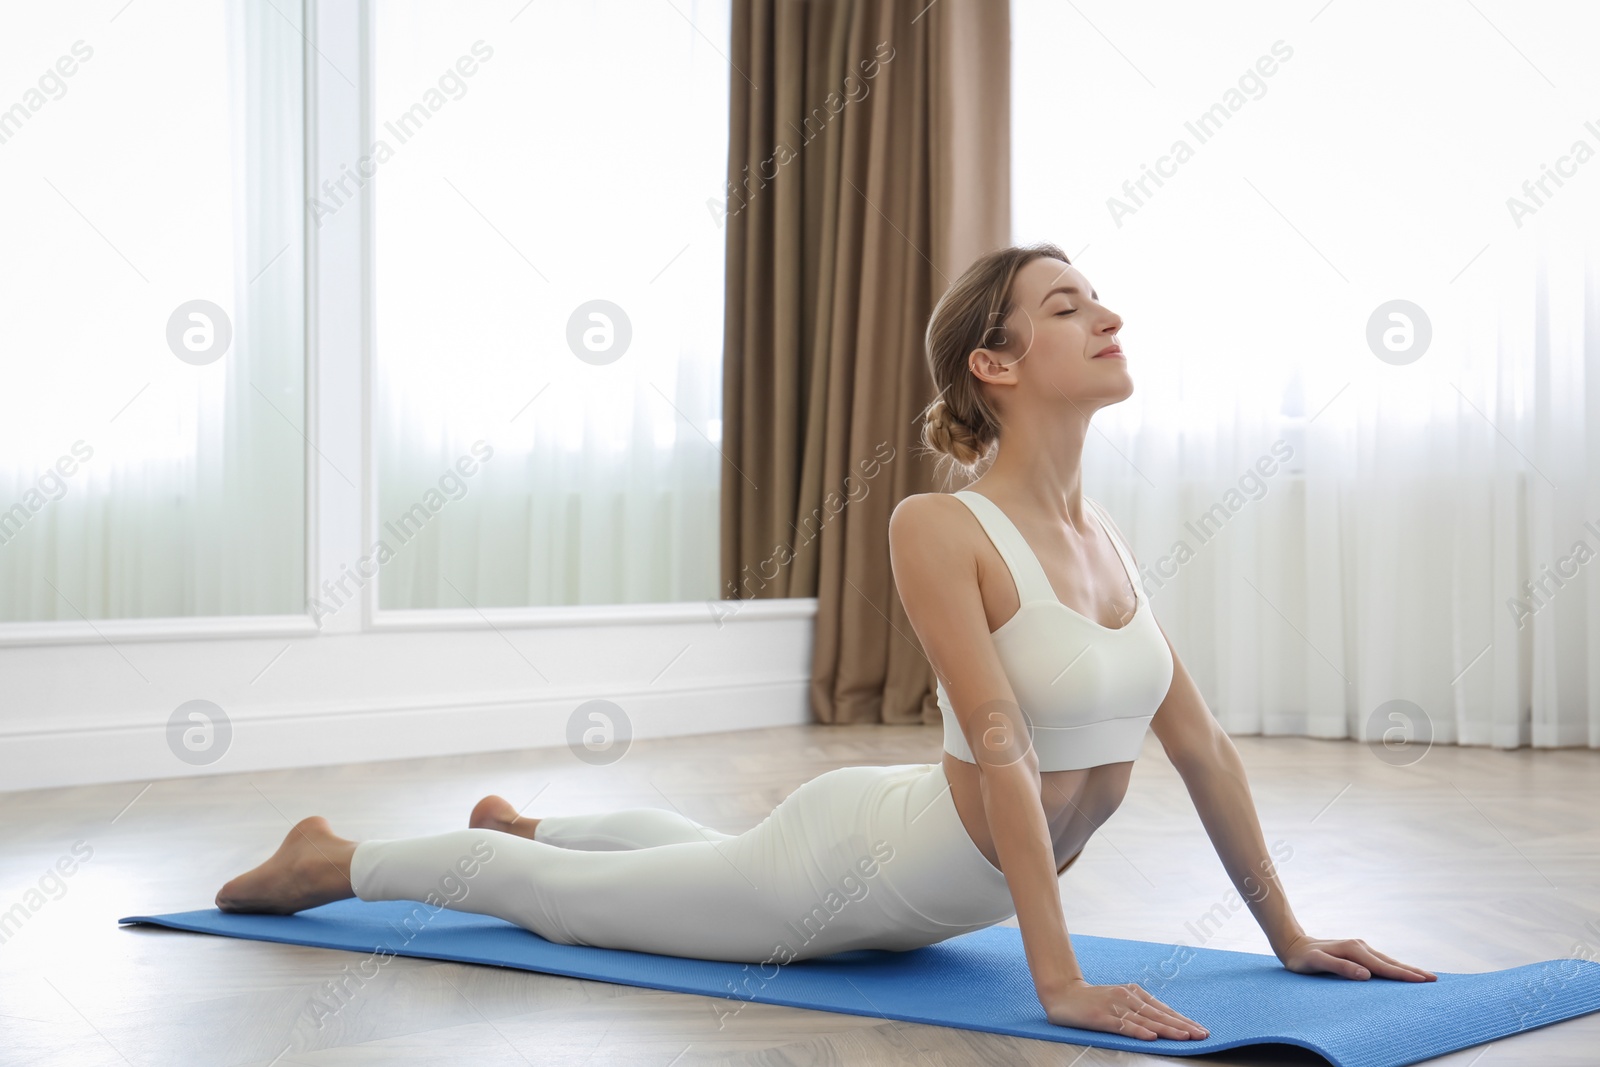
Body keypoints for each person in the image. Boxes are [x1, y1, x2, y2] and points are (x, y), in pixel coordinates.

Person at [216, 242, 1436, 1041]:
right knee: (567, 906)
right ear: (994, 364)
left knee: (684, 861)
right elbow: (1002, 741)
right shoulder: (937, 525)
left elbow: (1205, 748)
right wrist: (1052, 979)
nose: (1108, 313)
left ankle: (524, 817)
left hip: (898, 852)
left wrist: (1287, 932)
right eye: (1068, 305)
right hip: (841, 878)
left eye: (1098, 297)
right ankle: (333, 857)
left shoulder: (1103, 535)